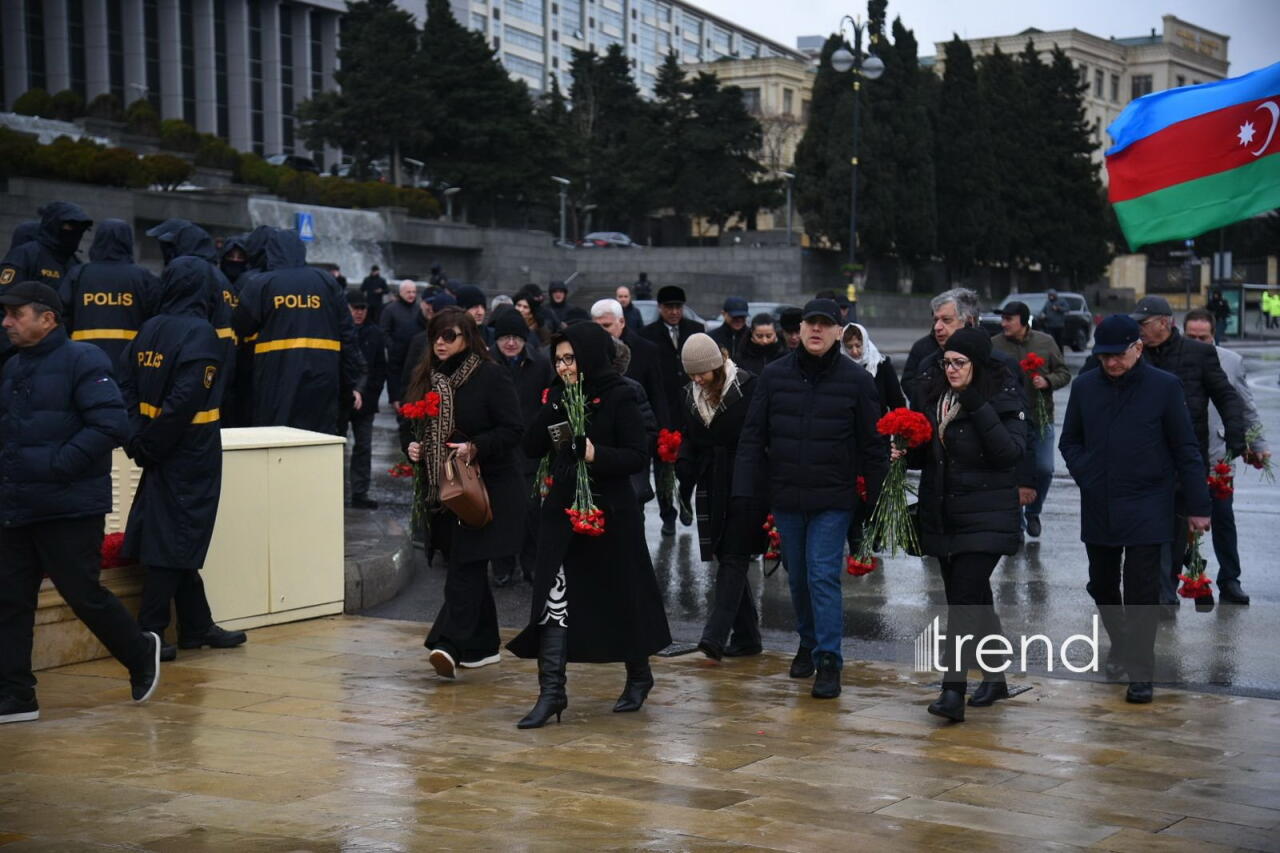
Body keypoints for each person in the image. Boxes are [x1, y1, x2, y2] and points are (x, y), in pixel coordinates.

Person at [0, 281, 161, 722]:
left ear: (47, 318)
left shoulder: (84, 359)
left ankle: (140, 649)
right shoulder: (13, 366)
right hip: (17, 504)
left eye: (16, 314)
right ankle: (16, 694)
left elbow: (111, 424)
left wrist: (59, 464)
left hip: (69, 506)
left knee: (83, 594)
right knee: (9, 598)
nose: (7, 322)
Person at [507, 322, 672, 728]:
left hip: (611, 513)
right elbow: (530, 445)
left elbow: (637, 455)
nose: (563, 367)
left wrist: (597, 454)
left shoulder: (621, 395)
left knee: (622, 596)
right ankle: (552, 693)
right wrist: (554, 405)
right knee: (553, 599)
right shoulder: (560, 394)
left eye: (570, 359)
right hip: (563, 511)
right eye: (558, 360)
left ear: (590, 357)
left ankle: (639, 675)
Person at [733, 299, 888, 699]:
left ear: (840, 331)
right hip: (786, 494)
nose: (816, 331)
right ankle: (807, 640)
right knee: (798, 578)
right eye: (810, 324)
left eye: (825, 324)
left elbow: (873, 445)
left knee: (821, 575)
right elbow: (753, 436)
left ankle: (830, 660)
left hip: (833, 498)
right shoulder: (775, 375)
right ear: (799, 330)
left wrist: (877, 501)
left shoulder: (856, 381)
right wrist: (746, 490)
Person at [1060, 315, 1211, 704]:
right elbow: (1070, 442)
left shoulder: (1164, 387)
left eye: (1118, 355)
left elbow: (1186, 448)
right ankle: (1122, 643)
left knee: (1142, 590)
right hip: (1100, 500)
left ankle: (1141, 672)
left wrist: (1198, 505)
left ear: (1138, 348)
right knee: (1103, 584)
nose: (1110, 363)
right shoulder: (1086, 386)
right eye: (1103, 356)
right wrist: (1089, 475)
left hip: (1149, 501)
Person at [118, 255, 246, 662]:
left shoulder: (149, 328)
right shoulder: (201, 333)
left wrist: (138, 437)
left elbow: (124, 386)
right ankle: (151, 631)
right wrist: (153, 442)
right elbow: (185, 400)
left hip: (156, 445)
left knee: (173, 530)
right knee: (178, 534)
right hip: (191, 449)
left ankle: (196, 625)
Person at [902, 328, 1027, 721]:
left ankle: (952, 692)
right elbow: (934, 457)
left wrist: (975, 402)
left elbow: (1009, 453)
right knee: (971, 597)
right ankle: (995, 675)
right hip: (945, 514)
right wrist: (905, 448)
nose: (951, 369)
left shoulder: (1003, 395)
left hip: (988, 516)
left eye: (960, 363)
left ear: (978, 364)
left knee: (961, 601)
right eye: (947, 362)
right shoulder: (937, 397)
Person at [405, 308, 525, 678]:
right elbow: (413, 426)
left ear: (468, 338)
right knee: (467, 564)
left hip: (486, 490)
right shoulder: (428, 377)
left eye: (449, 336)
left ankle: (448, 644)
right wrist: (413, 449)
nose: (440, 343)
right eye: (436, 336)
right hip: (445, 490)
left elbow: (513, 429)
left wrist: (474, 446)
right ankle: (483, 646)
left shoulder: (489, 376)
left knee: (465, 566)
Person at [1119, 296, 1244, 608]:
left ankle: (1166, 587)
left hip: (1184, 455)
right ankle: (1159, 591)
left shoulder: (1199, 354)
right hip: (1141, 455)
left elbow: (1226, 395)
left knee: (1175, 528)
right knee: (1147, 526)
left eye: (1143, 324)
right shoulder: (1134, 353)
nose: (1139, 330)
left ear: (1165, 322)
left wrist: (1236, 433)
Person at [676, 334, 765, 661]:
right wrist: (684, 464)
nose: (697, 379)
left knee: (734, 556)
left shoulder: (748, 386)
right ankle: (747, 638)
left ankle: (713, 637)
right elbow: (690, 438)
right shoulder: (689, 395)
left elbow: (760, 436)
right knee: (723, 553)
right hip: (710, 480)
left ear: (717, 365)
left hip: (744, 478)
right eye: (692, 374)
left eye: (702, 372)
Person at [232, 228, 366, 434]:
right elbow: (348, 334)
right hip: (322, 377)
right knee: (317, 438)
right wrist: (351, 382)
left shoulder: (262, 283)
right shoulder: (326, 282)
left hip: (276, 377)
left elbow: (240, 325)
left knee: (276, 438)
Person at [1183, 308, 1269, 605]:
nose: (1197, 342)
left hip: (1218, 454)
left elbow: (1246, 406)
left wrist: (1257, 444)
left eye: (1203, 337)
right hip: (1180, 454)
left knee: (1223, 518)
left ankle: (1229, 580)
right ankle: (1189, 579)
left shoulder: (1230, 362)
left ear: (1214, 336)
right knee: (1178, 522)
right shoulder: (1172, 359)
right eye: (1191, 337)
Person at [990, 301, 1071, 538]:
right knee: (1012, 471)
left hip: (1040, 416)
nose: (1004, 323)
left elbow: (1064, 373)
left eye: (1009, 319)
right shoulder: (995, 345)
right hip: (1009, 420)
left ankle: (1034, 511)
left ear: (1023, 321)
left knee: (1044, 469)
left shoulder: (1045, 342)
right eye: (1002, 319)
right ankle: (1015, 519)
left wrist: (1047, 381)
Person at [492, 307, 553, 585]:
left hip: (530, 450)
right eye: (505, 337)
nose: (511, 343)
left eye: (516, 337)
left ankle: (530, 564)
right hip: (497, 449)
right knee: (501, 512)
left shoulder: (540, 363)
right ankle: (503, 566)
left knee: (532, 512)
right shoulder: (488, 364)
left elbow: (551, 402)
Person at [639, 285, 705, 535]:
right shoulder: (648, 335)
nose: (675, 312)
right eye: (669, 307)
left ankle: (685, 500)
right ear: (660, 308)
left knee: (689, 465)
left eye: (678, 307)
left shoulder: (695, 330)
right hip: (661, 408)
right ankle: (668, 514)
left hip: (691, 409)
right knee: (664, 465)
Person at [58, 219, 161, 369]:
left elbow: (60, 315)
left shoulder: (78, 274)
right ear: (128, 242)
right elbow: (155, 319)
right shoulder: (144, 277)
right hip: (130, 361)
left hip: (82, 359)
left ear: (98, 240)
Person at [339, 290, 388, 510]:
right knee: (336, 447)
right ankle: (332, 490)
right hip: (341, 399)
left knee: (363, 448)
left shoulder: (375, 333)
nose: (359, 312)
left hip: (365, 402)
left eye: (362, 308)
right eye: (355, 308)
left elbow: (380, 369)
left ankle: (360, 492)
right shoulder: (338, 329)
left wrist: (370, 395)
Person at [902, 288, 981, 407]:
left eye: (946, 320)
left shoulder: (997, 364)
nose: (937, 327)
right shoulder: (927, 364)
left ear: (969, 322)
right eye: (935, 320)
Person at [842, 323, 904, 415]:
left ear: (865, 343)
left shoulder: (881, 364)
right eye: (849, 347)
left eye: (858, 346)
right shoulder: (840, 366)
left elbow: (896, 401)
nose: (854, 351)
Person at [382, 280, 424, 409]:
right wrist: (391, 346)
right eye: (408, 292)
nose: (411, 295)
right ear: (401, 293)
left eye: (414, 292)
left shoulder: (419, 309)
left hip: (415, 353)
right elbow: (384, 331)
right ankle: (395, 400)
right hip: (397, 353)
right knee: (395, 376)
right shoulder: (390, 309)